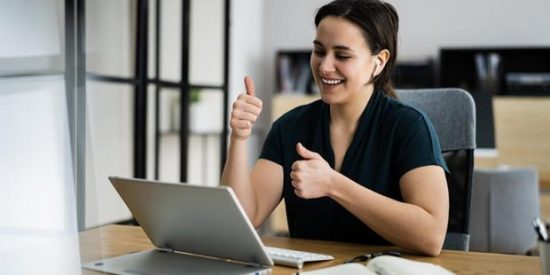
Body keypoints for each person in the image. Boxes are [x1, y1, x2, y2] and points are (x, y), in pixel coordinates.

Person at [221, 0, 449, 256]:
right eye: (319, 51)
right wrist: (239, 139)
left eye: (342, 55)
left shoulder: (409, 127)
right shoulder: (290, 127)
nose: (324, 66)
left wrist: (334, 184)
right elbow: (243, 219)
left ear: (379, 62)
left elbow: (431, 236)